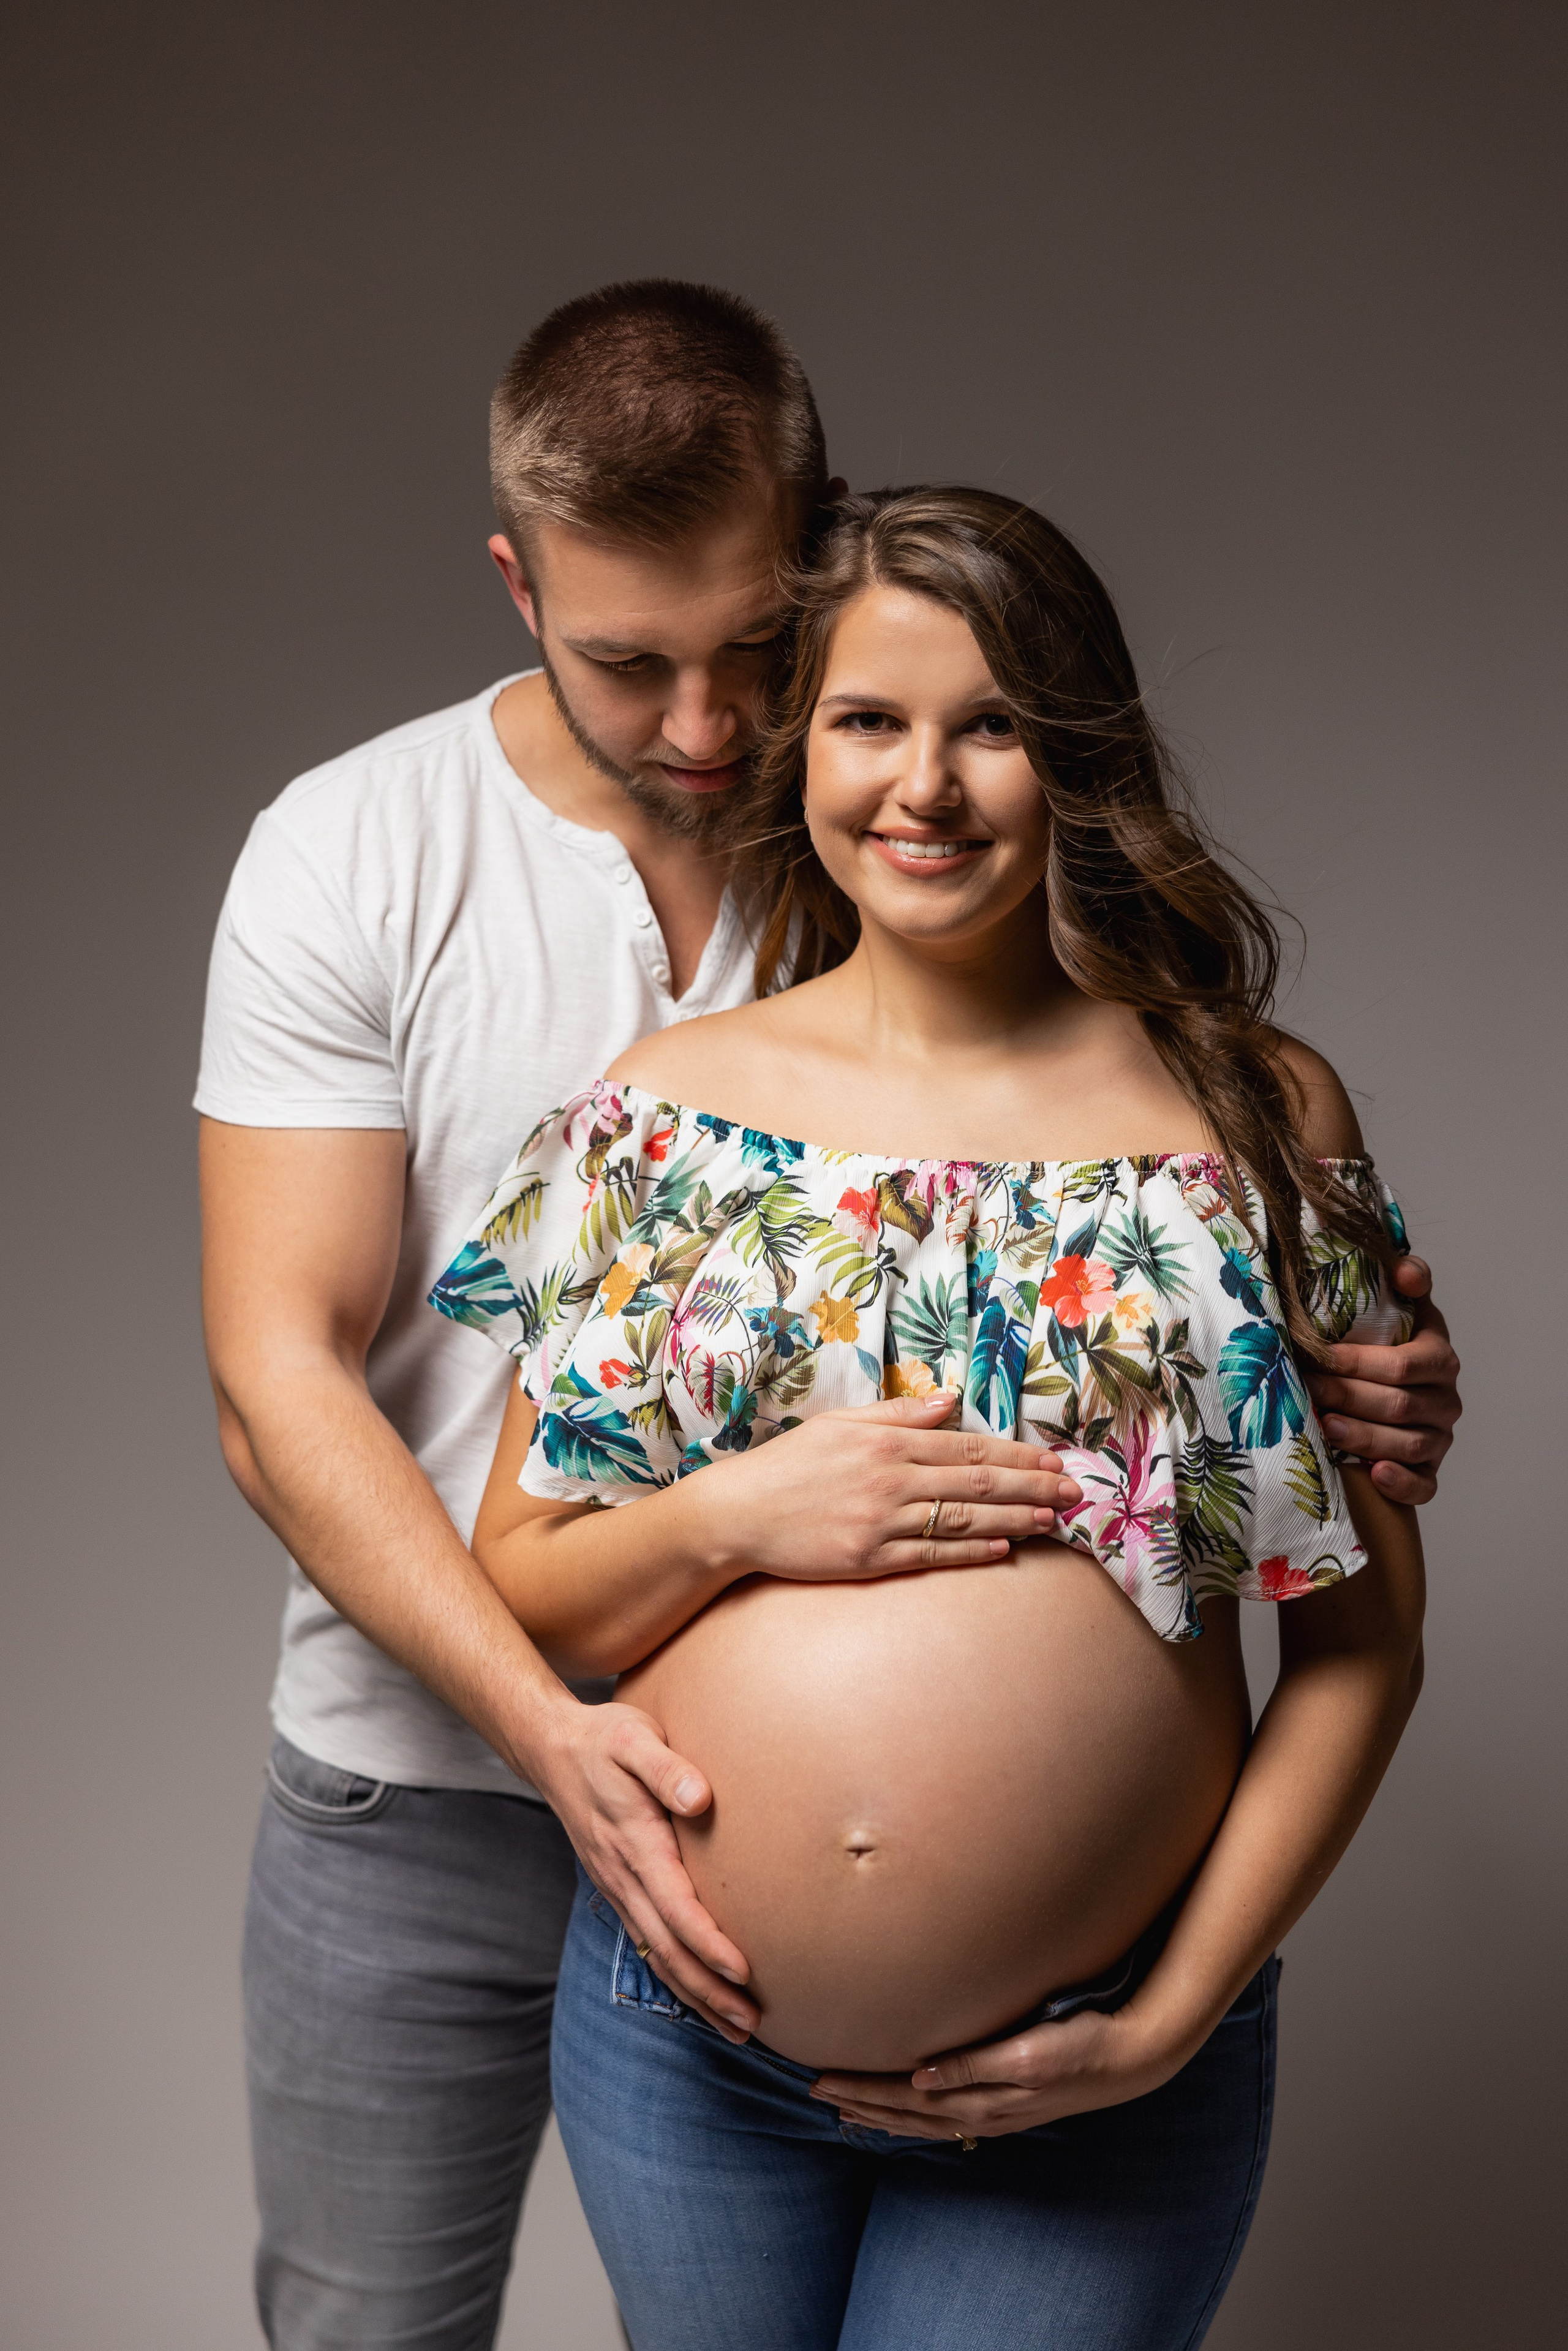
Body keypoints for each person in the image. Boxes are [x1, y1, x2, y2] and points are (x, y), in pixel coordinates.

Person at [198, 283, 1460, 2349]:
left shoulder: (1225, 1095)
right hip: (569, 1910)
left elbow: (1355, 1627)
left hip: (1075, 2040)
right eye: (869, 722)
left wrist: (1175, 2009)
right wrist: (741, 1523)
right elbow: (306, 1400)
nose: (721, 735)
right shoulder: (544, 1015)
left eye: (981, 728)